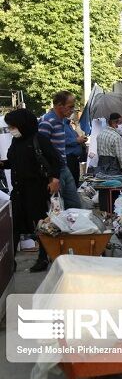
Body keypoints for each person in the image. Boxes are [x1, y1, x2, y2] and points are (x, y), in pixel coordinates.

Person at [2, 109, 62, 272]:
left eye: (13, 126)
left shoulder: (39, 139)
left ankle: (43, 258)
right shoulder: (16, 142)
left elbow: (56, 160)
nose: (11, 129)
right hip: (19, 190)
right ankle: (9, 261)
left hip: (36, 189)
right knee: (13, 226)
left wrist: (54, 178)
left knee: (41, 225)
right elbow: (15, 162)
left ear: (23, 125)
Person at [38, 91, 81, 209]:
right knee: (58, 208)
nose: (73, 109)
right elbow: (41, 151)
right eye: (70, 106)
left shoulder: (62, 121)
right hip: (55, 172)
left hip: (64, 167)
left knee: (75, 205)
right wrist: (52, 176)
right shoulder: (47, 121)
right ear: (59, 105)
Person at [63, 115, 87, 185]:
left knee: (75, 180)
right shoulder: (60, 125)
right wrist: (76, 140)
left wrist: (81, 139)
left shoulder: (68, 125)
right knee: (71, 182)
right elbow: (61, 140)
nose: (71, 111)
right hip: (68, 158)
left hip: (74, 159)